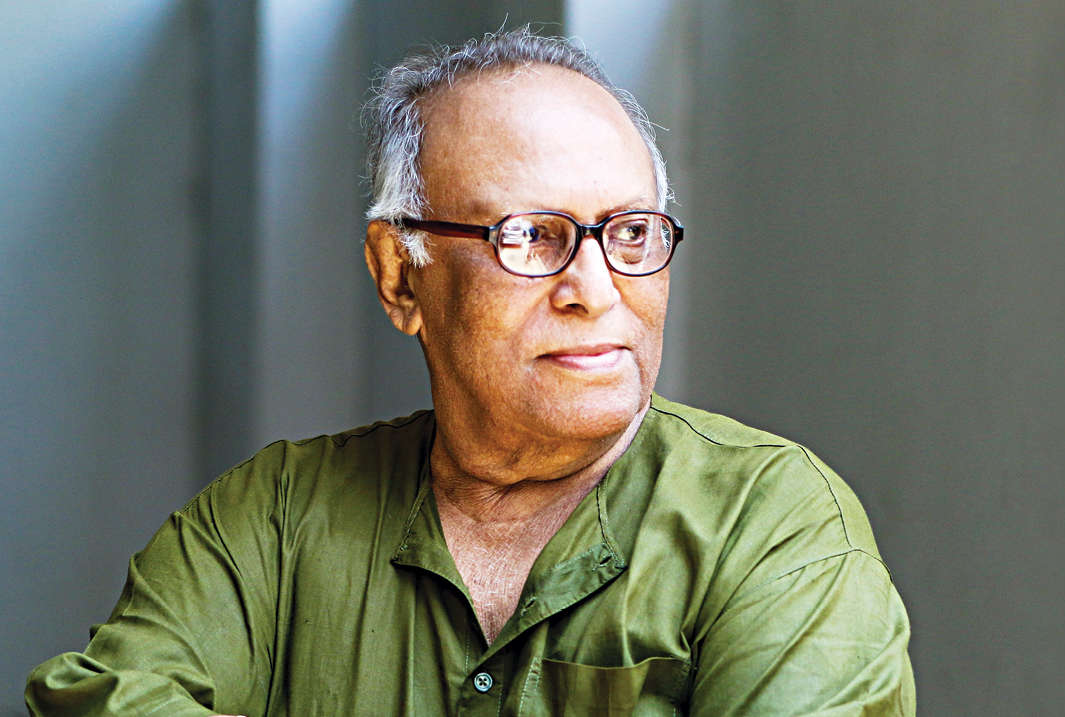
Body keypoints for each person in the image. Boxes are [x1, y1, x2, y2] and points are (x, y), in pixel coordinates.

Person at [24, 28, 914, 716]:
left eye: (631, 232)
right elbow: (99, 699)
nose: (595, 288)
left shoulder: (771, 525)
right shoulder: (275, 518)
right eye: (529, 235)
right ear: (399, 275)